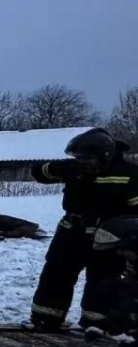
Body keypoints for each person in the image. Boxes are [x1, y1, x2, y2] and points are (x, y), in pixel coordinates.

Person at [30, 128, 138, 332]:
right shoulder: (75, 168)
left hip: (107, 238)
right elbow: (38, 172)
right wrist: (57, 169)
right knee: (55, 274)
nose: (82, 162)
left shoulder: (129, 175)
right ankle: (45, 319)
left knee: (102, 280)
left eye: (86, 158)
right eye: (78, 158)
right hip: (71, 230)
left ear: (104, 156)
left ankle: (96, 324)